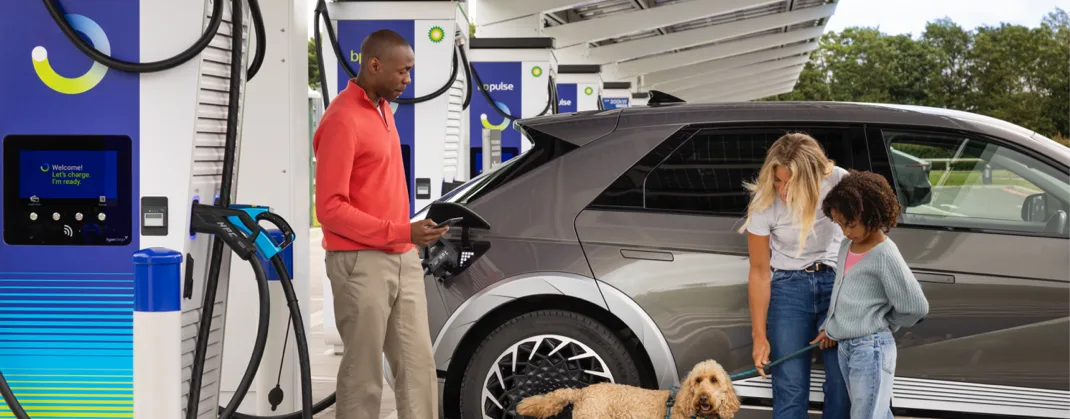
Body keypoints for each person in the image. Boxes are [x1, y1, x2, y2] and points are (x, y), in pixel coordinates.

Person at [313, 29, 448, 419]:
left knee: (418, 366)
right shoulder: (341, 120)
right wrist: (402, 232)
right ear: (375, 65)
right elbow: (331, 209)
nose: (408, 79)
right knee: (363, 372)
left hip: (402, 255)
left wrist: (410, 235)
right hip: (360, 262)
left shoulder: (383, 108)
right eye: (403, 71)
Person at [738, 132, 851, 419]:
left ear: (814, 178)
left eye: (792, 182)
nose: (783, 190)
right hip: (788, 288)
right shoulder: (764, 202)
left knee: (841, 385)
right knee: (789, 386)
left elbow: (864, 243)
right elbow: (760, 272)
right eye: (778, 180)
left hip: (836, 284)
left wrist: (840, 311)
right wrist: (759, 336)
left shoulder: (838, 181)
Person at [817, 170, 930, 419]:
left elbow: (917, 307)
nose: (845, 231)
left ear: (870, 214)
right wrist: (831, 327)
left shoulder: (885, 254)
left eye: (850, 224)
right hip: (848, 347)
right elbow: (842, 294)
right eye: (840, 224)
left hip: (871, 348)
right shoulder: (847, 246)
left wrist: (882, 322)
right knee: (874, 413)